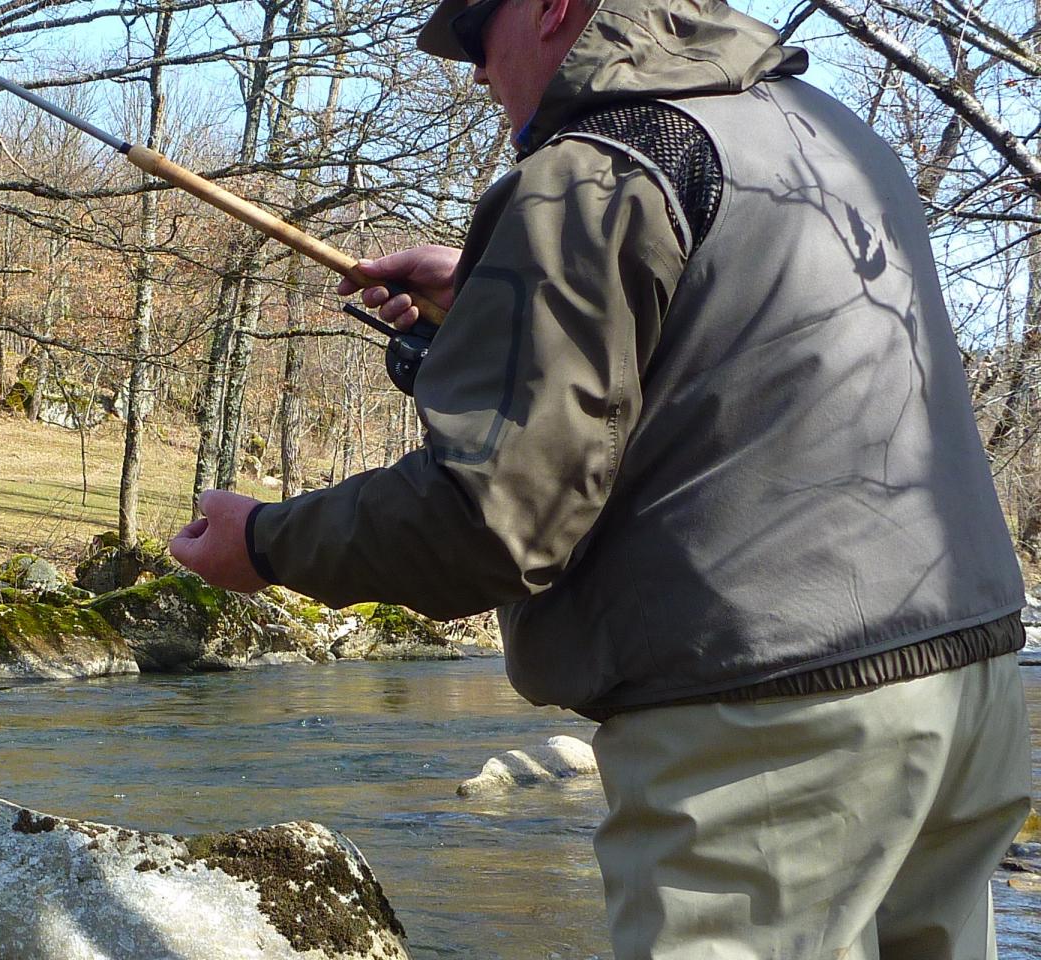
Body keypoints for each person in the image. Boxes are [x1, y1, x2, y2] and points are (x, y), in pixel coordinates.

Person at [167, 0, 1035, 956]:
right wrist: (504, 298)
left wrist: (265, 541)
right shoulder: (828, 132)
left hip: (766, 722)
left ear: (549, 9)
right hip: (968, 684)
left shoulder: (597, 169)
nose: (475, 71)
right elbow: (729, 369)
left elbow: (490, 518)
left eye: (476, 36)